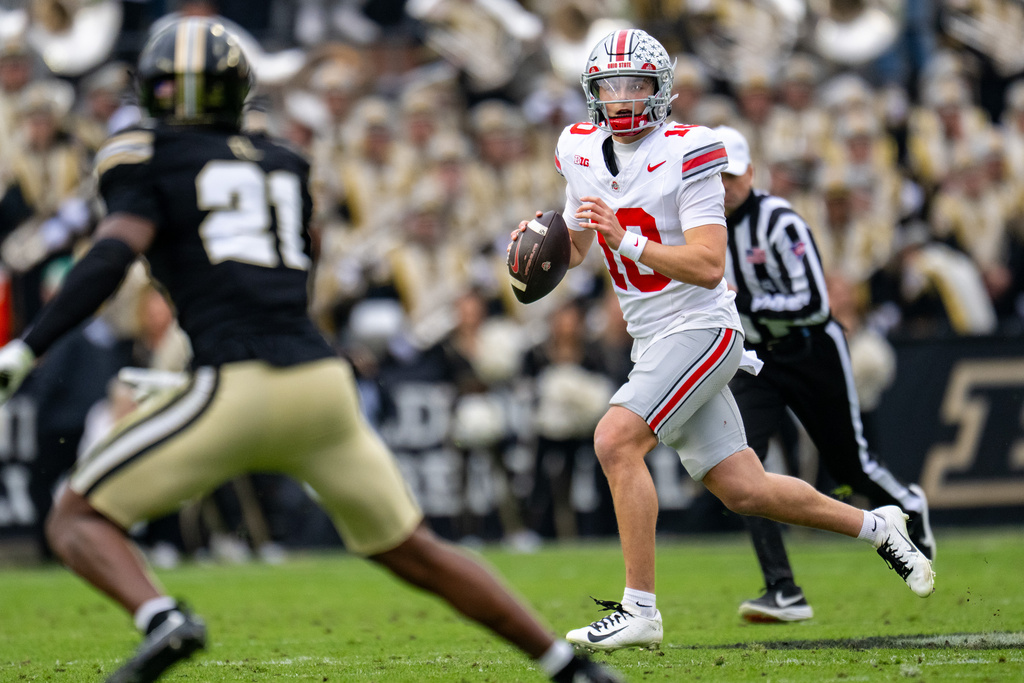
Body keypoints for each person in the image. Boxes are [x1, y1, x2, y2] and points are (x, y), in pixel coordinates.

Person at [0, 18, 620, 683]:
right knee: (415, 549)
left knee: (74, 516)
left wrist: (26, 347)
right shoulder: (283, 162)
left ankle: (161, 616)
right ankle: (566, 666)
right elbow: (294, 269)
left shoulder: (144, 154)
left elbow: (110, 254)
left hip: (239, 386)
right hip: (320, 384)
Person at [508, 28, 934, 653]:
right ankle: (880, 528)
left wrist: (622, 238)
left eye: (635, 84)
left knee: (615, 439)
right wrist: (534, 250)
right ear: (592, 93)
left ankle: (640, 609)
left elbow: (709, 264)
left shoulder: (691, 149)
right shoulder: (576, 148)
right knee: (746, 489)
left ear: (662, 91)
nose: (623, 97)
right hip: (650, 334)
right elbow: (575, 244)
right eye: (610, 85)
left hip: (703, 325)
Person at [714, 125, 936, 623]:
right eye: (712, 175)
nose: (722, 185)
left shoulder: (778, 220)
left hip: (810, 349)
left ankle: (908, 506)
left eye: (729, 174)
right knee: (740, 466)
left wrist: (742, 300)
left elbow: (814, 303)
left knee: (849, 466)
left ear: (750, 172)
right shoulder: (702, 224)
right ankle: (783, 588)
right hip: (757, 359)